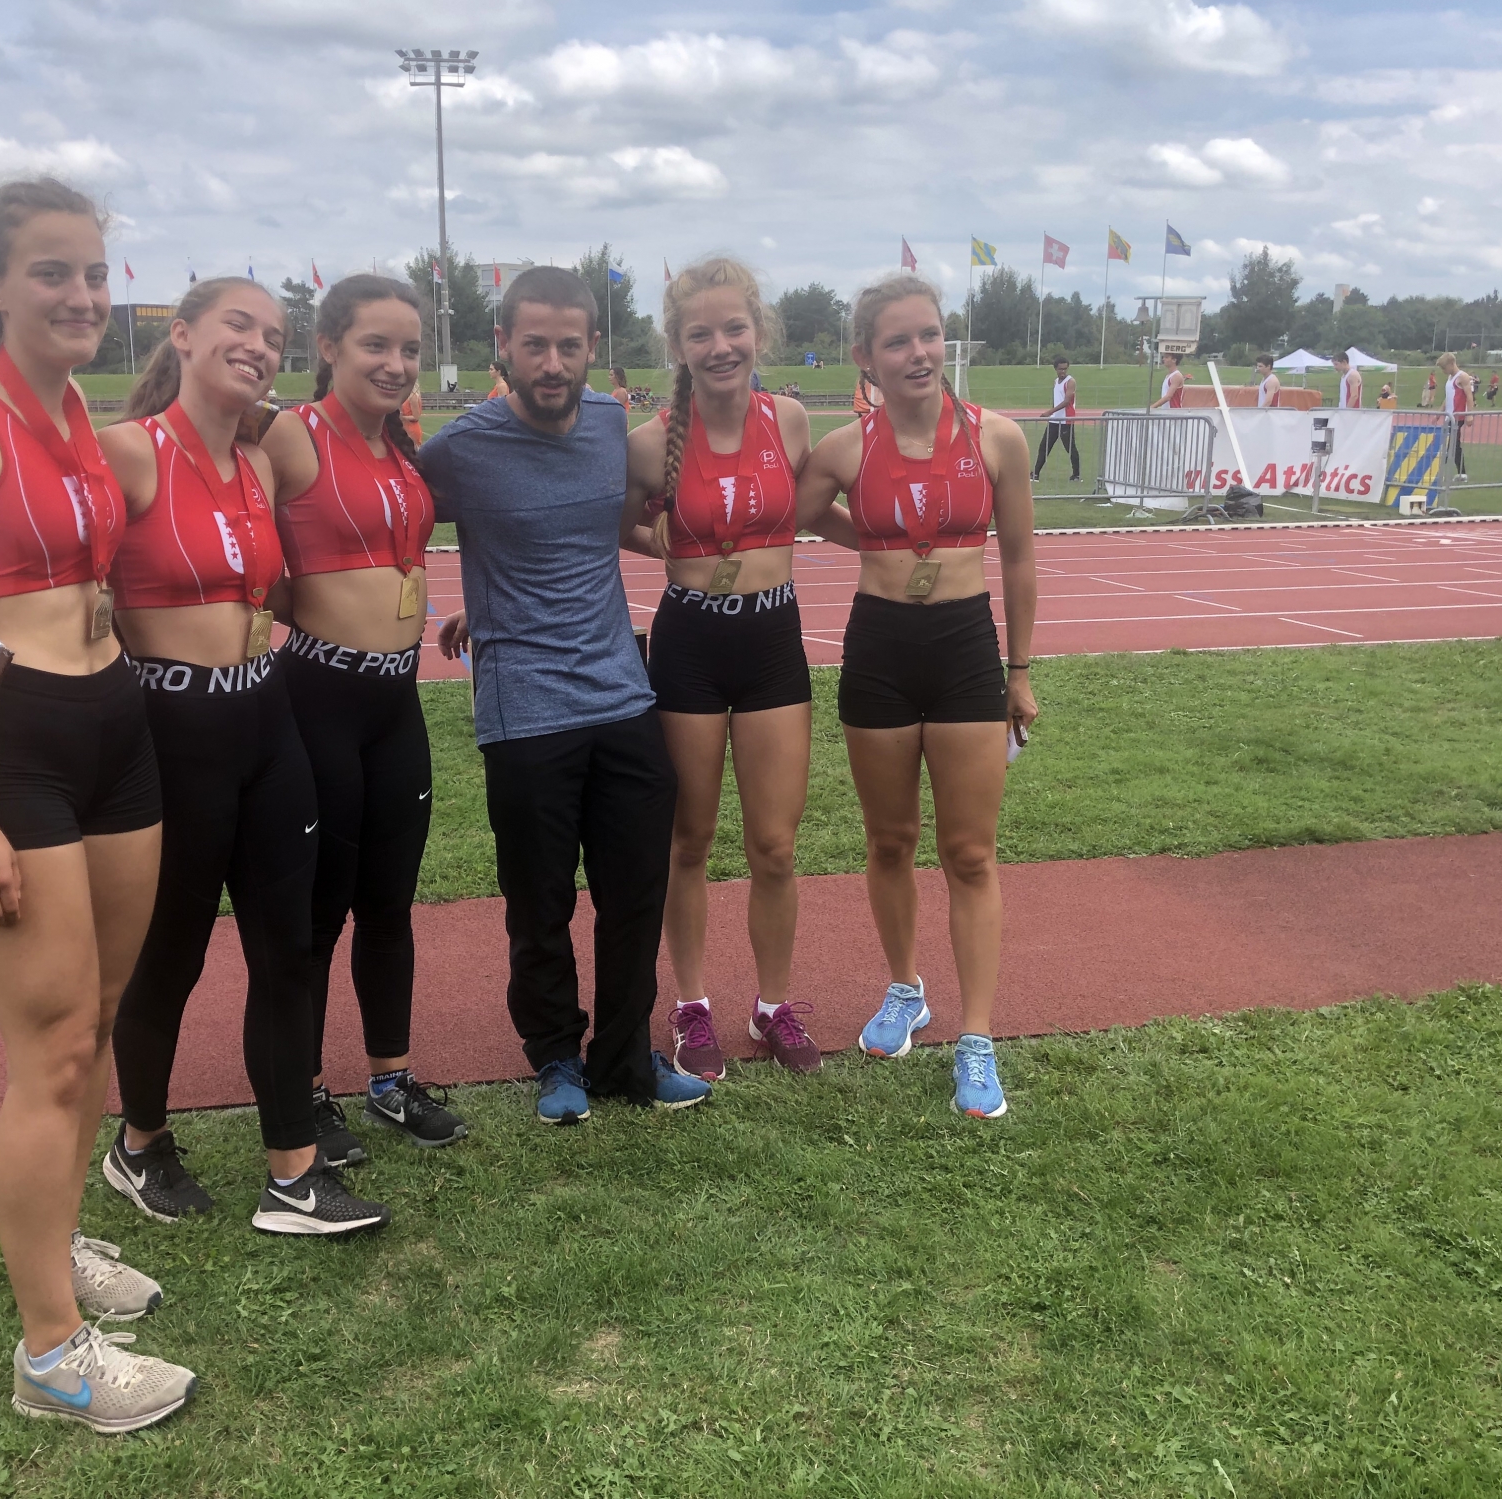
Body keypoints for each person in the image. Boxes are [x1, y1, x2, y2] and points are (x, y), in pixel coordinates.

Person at [0, 177, 194, 1433]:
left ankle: (57, 1246)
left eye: (92, 274)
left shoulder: (83, 421)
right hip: (9, 755)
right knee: (53, 1049)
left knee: (102, 1016)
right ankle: (52, 1357)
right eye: (51, 273)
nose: (78, 295)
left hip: (114, 725)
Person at [98, 277, 390, 1240]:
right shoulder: (130, 456)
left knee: (290, 949)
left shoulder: (262, 464)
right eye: (238, 325)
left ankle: (294, 1177)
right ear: (181, 336)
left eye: (272, 334)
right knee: (170, 957)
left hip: (267, 723)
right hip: (173, 737)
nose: (259, 344)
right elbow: (57, 598)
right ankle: (139, 1145)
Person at [415, 266, 711, 1122]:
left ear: (592, 350)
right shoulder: (460, 448)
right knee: (539, 903)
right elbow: (381, 517)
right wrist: (474, 598)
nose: (552, 362)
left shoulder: (614, 424)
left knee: (634, 896)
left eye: (569, 345)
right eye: (534, 344)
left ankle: (625, 1056)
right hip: (524, 711)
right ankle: (556, 1059)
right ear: (502, 345)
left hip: (623, 697)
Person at [795, 273, 1039, 1119]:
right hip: (881, 652)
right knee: (890, 840)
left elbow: (1019, 561)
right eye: (897, 341)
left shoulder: (998, 439)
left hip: (968, 652)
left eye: (930, 335)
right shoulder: (844, 449)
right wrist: (866, 534)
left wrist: (1023, 670)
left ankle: (976, 1039)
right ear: (866, 356)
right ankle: (906, 990)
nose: (919, 353)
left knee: (970, 853)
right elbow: (797, 510)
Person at [261, 274, 470, 1160]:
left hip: (394, 699)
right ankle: (306, 1094)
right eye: (374, 346)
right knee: (318, 911)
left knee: (390, 903)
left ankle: (389, 1078)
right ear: (331, 349)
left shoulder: (402, 449)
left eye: (408, 349)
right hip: (317, 699)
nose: (395, 364)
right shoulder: (288, 436)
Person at [620, 257, 820, 1081]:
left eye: (733, 327)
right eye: (700, 332)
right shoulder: (644, 445)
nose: (720, 344)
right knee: (689, 841)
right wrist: (664, 543)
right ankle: (692, 1005)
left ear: (758, 331)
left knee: (775, 844)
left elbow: (812, 507)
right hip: (690, 646)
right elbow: (609, 527)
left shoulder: (792, 422)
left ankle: (774, 1007)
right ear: (677, 344)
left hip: (773, 641)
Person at [1029, 355, 1080, 482]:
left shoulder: (1070, 381)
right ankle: (1035, 474)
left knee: (1070, 448)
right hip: (1054, 420)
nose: (1063, 371)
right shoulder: (1055, 382)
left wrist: (1049, 412)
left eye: (1065, 369)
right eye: (1060, 369)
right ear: (1055, 369)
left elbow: (1067, 401)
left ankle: (1076, 475)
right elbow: (1056, 400)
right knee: (1044, 446)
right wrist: (1051, 414)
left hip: (1065, 420)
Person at [1437, 352, 1472, 481]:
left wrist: (1469, 415)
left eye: (1444, 368)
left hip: (1458, 416)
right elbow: (1448, 397)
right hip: (1450, 416)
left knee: (1452, 444)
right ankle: (1461, 473)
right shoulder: (1450, 378)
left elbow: (1469, 396)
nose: (1443, 371)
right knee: (1454, 445)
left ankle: (1440, 472)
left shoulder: (1462, 377)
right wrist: (1439, 412)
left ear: (1452, 364)